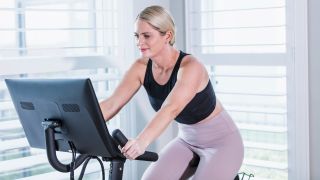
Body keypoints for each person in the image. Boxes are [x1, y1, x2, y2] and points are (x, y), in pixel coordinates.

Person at [99, 5, 244, 180]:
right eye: (137, 36)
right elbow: (112, 103)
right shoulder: (140, 68)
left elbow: (171, 108)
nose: (139, 42)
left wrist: (141, 141)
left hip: (222, 143)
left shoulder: (191, 67)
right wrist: (76, 122)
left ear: (167, 35)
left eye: (146, 36)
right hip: (187, 140)